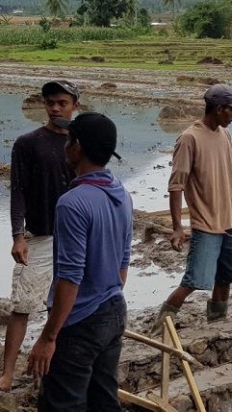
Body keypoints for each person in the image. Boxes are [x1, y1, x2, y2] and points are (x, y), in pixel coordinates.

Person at [27, 112, 132, 411]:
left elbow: (70, 277)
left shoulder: (72, 203)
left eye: (68, 139)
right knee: (104, 400)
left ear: (77, 147)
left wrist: (49, 337)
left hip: (81, 321)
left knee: (63, 404)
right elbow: (123, 261)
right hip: (113, 309)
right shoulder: (121, 193)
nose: (64, 145)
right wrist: (106, 295)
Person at [153, 84, 232, 332]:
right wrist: (177, 228)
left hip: (230, 221)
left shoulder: (225, 135)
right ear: (219, 109)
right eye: (231, 110)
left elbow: (230, 177)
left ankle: (217, 325)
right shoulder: (189, 138)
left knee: (226, 277)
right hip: (206, 224)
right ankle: (160, 327)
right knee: (194, 280)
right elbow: (176, 186)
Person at [2, 80, 79, 392]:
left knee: (62, 305)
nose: (56, 108)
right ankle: (7, 372)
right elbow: (17, 192)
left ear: (76, 104)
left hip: (72, 237)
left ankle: (52, 366)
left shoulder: (80, 144)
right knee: (22, 305)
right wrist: (18, 236)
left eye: (62, 102)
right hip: (39, 235)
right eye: (51, 103)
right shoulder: (28, 143)